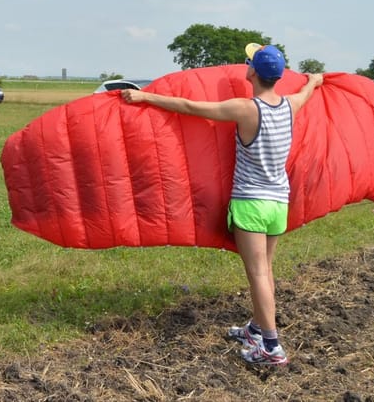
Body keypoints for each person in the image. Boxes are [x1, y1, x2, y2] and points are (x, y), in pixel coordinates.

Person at [121, 43, 323, 366]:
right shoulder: (289, 105)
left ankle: (271, 347)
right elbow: (307, 92)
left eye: (249, 62)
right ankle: (257, 328)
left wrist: (145, 97)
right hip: (278, 204)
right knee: (266, 269)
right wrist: (314, 81)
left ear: (253, 72)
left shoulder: (245, 109)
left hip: (252, 205)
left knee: (257, 273)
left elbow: (189, 106)